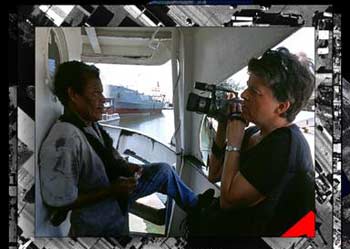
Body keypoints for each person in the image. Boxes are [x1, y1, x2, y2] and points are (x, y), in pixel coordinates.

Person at [39, 61, 214, 237]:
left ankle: (197, 206)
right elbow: (60, 203)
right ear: (73, 95)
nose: (103, 99)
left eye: (101, 92)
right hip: (95, 223)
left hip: (116, 201)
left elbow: (107, 157)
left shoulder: (89, 125)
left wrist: (128, 168)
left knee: (164, 171)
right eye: (95, 93)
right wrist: (112, 190)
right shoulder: (64, 139)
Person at [189, 47, 315, 236]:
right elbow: (214, 174)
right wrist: (224, 125)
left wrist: (234, 141)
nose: (244, 95)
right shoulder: (254, 132)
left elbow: (228, 201)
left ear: (281, 106)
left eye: (254, 91)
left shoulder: (284, 146)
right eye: (247, 87)